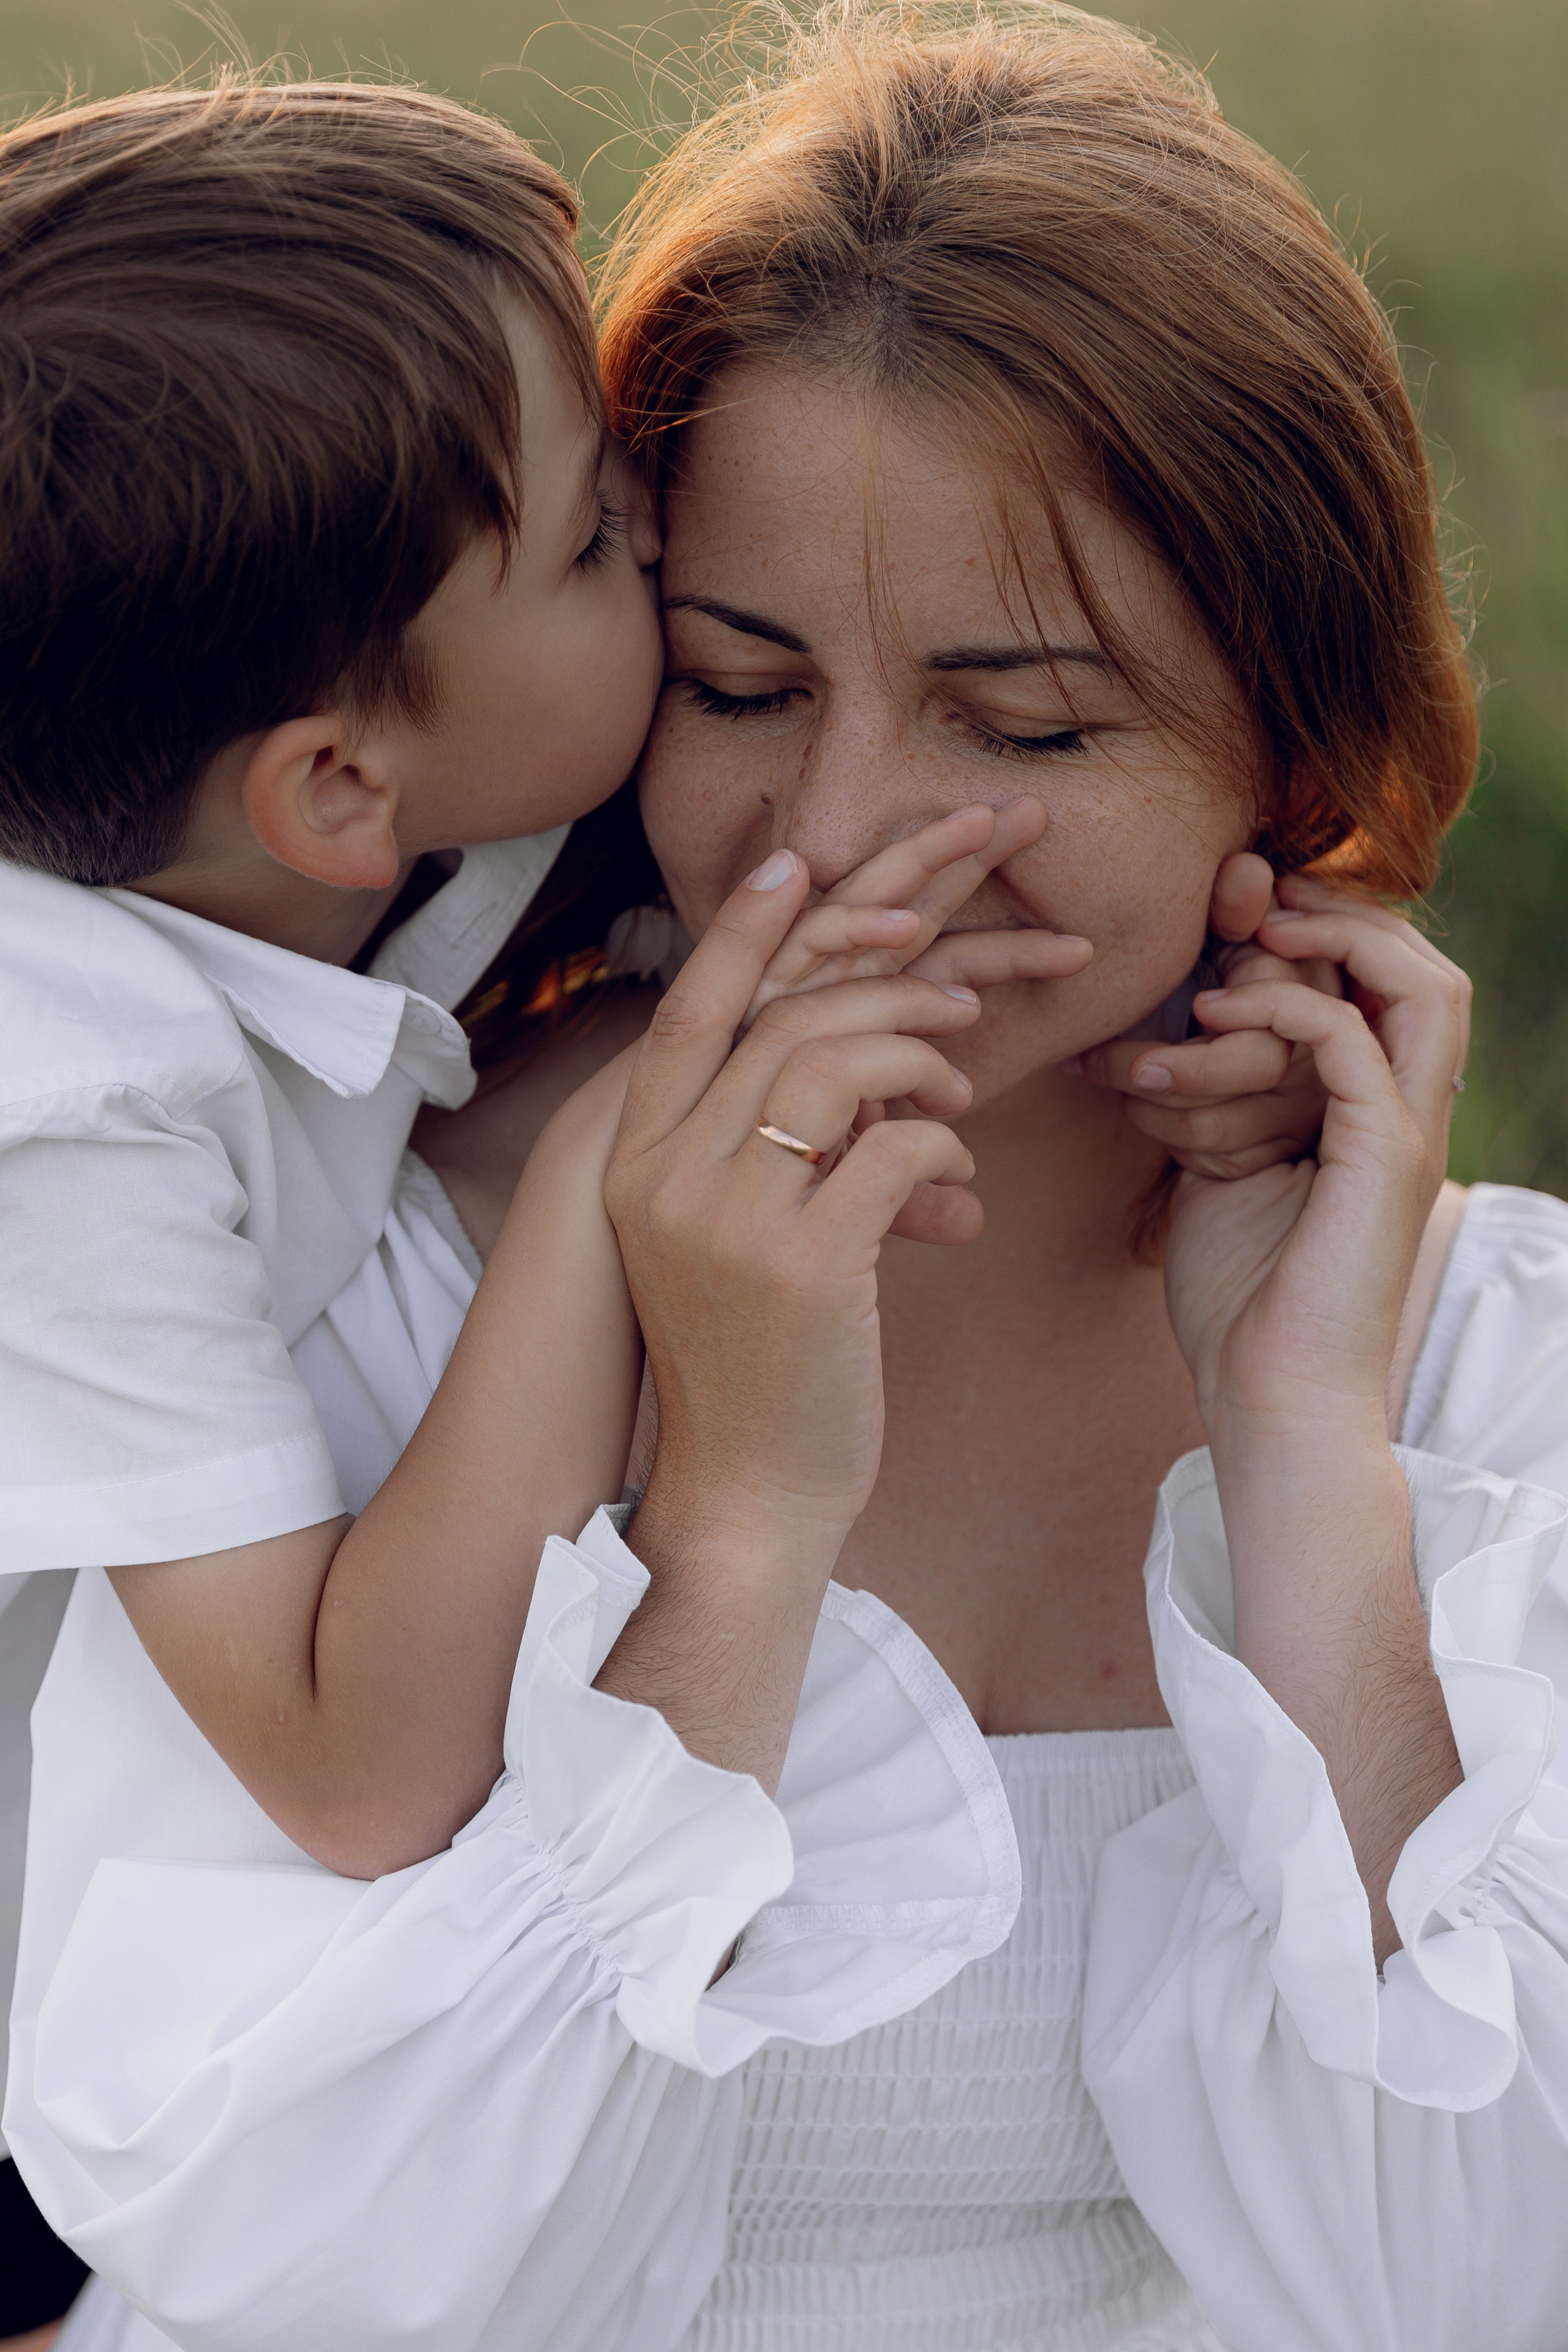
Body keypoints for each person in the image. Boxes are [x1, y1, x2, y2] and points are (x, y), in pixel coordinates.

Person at [13, 9, 1564, 2351]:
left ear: (1296, 732)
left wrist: (1307, 1450)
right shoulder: (348, 1279)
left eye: (1022, 724)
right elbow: (311, 2277)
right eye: (736, 681)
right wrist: (729, 1533)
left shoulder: (1467, 1372)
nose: (836, 837)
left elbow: (1476, 2276)